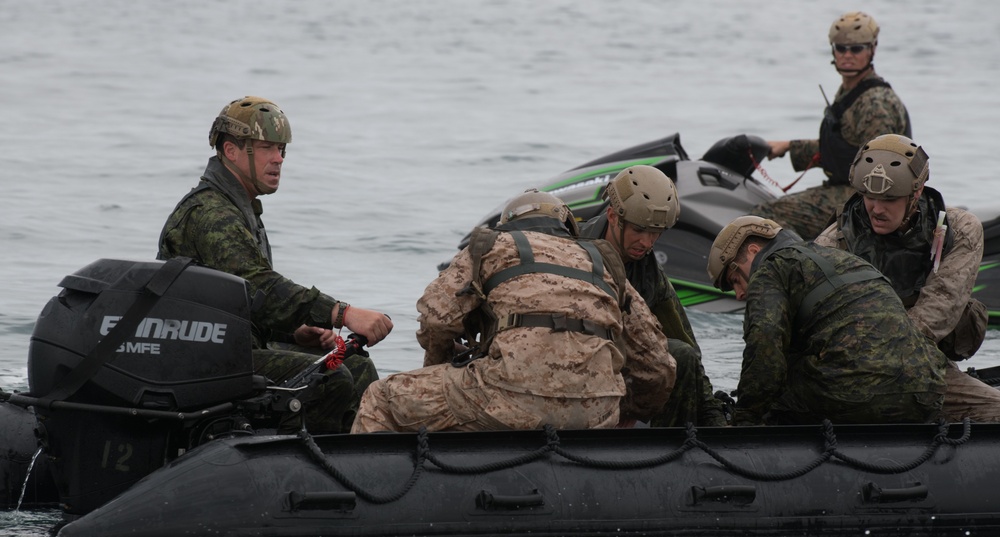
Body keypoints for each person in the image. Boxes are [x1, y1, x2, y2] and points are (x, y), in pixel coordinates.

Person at [158, 96, 393, 434]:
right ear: (231, 151)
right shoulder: (212, 213)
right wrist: (343, 313)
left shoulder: (240, 208)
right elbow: (260, 286)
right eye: (267, 147)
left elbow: (240, 302)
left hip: (231, 345)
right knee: (331, 380)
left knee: (353, 365)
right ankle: (300, 466)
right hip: (203, 359)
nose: (278, 159)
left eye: (282, 149)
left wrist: (293, 332)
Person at [351, 189, 675, 433]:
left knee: (381, 398)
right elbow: (658, 364)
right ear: (567, 227)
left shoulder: (492, 245)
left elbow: (437, 317)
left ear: (509, 226)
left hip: (508, 399)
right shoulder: (602, 262)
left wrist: (438, 367)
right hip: (597, 411)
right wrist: (628, 413)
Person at [815, 134, 1000, 422]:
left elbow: (939, 309)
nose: (876, 208)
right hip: (854, 369)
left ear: (916, 192)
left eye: (889, 199)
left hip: (921, 360)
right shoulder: (833, 243)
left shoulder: (957, 230)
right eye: (869, 197)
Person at [707, 215, 948, 425]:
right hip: (926, 392)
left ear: (753, 251)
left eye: (735, 279)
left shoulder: (771, 269)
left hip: (854, 394)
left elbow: (764, 348)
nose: (739, 294)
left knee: (776, 390)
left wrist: (745, 419)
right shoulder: (844, 258)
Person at [579, 165, 727, 426]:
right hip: (577, 361)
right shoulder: (575, 251)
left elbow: (685, 343)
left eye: (655, 232)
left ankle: (671, 450)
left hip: (623, 364)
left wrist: (714, 417)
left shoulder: (646, 268)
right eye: (638, 230)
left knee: (682, 357)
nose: (647, 243)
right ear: (613, 216)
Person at [751, 11, 910, 240]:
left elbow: (880, 170)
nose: (847, 55)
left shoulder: (876, 103)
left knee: (765, 216)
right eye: (840, 48)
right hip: (849, 189)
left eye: (856, 49)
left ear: (872, 49)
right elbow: (845, 147)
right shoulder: (851, 91)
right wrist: (789, 147)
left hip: (867, 198)